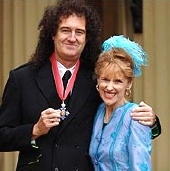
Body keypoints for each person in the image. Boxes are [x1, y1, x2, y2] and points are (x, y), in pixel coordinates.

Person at [0, 1, 160, 171]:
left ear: (86, 38)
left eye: (79, 32)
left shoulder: (98, 78)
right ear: (52, 34)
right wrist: (34, 130)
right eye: (65, 30)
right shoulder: (22, 78)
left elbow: (123, 125)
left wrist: (152, 122)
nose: (72, 38)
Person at [89, 35, 152, 170]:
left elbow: (141, 167)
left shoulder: (136, 117)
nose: (109, 87)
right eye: (105, 79)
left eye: (117, 81)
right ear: (98, 80)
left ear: (129, 84)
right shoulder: (99, 111)